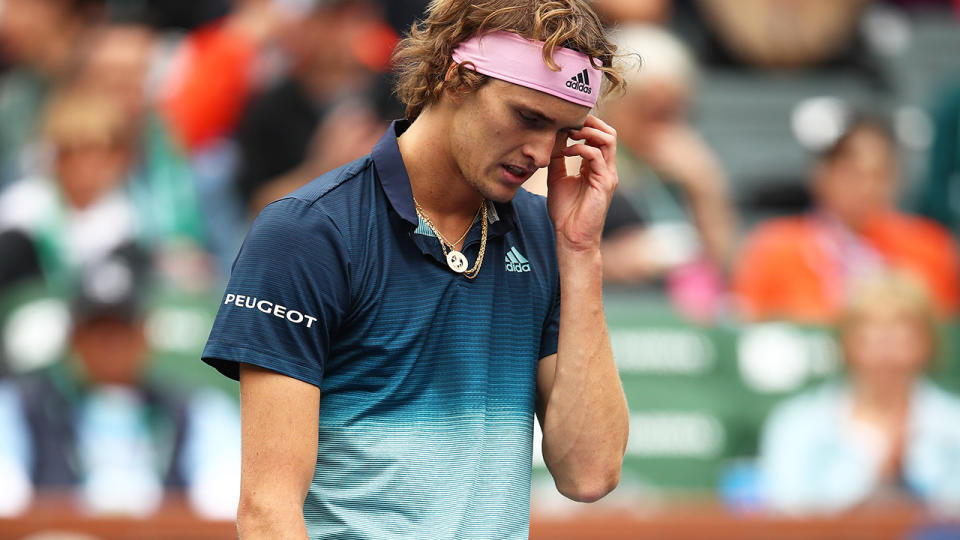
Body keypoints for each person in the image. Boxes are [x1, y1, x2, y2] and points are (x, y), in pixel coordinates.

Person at [200, 0, 630, 537]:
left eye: (564, 132)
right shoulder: (308, 233)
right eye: (528, 117)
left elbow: (589, 474)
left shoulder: (548, 238)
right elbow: (267, 510)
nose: (543, 154)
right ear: (457, 77)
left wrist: (581, 250)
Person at [0, 247, 241, 518]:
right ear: (73, 339)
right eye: (97, 331)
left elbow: (224, 500)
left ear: (144, 335)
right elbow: (7, 499)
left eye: (121, 330)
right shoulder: (21, 407)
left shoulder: (198, 410)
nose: (110, 345)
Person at [758, 271, 960, 513]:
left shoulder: (953, 422)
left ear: (928, 341)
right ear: (846, 340)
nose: (886, 338)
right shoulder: (798, 424)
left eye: (902, 325)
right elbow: (785, 517)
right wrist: (870, 477)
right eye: (870, 325)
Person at [733, 114, 960, 323]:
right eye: (852, 171)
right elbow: (746, 327)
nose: (867, 186)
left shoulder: (930, 247)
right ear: (821, 174)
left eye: (879, 173)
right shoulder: (773, 248)